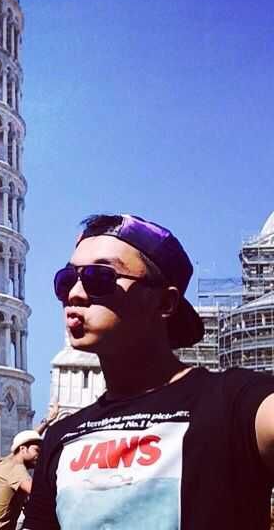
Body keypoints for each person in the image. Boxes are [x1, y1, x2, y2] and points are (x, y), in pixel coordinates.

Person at [23, 213, 274, 530]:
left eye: (99, 277)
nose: (75, 293)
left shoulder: (234, 404)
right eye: (66, 279)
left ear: (165, 302)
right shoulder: (62, 436)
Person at [0, 403, 60, 530]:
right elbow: (39, 492)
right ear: (22, 449)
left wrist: (47, 421)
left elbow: (28, 440)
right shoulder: (16, 470)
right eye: (37, 451)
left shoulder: (7, 461)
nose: (39, 456)